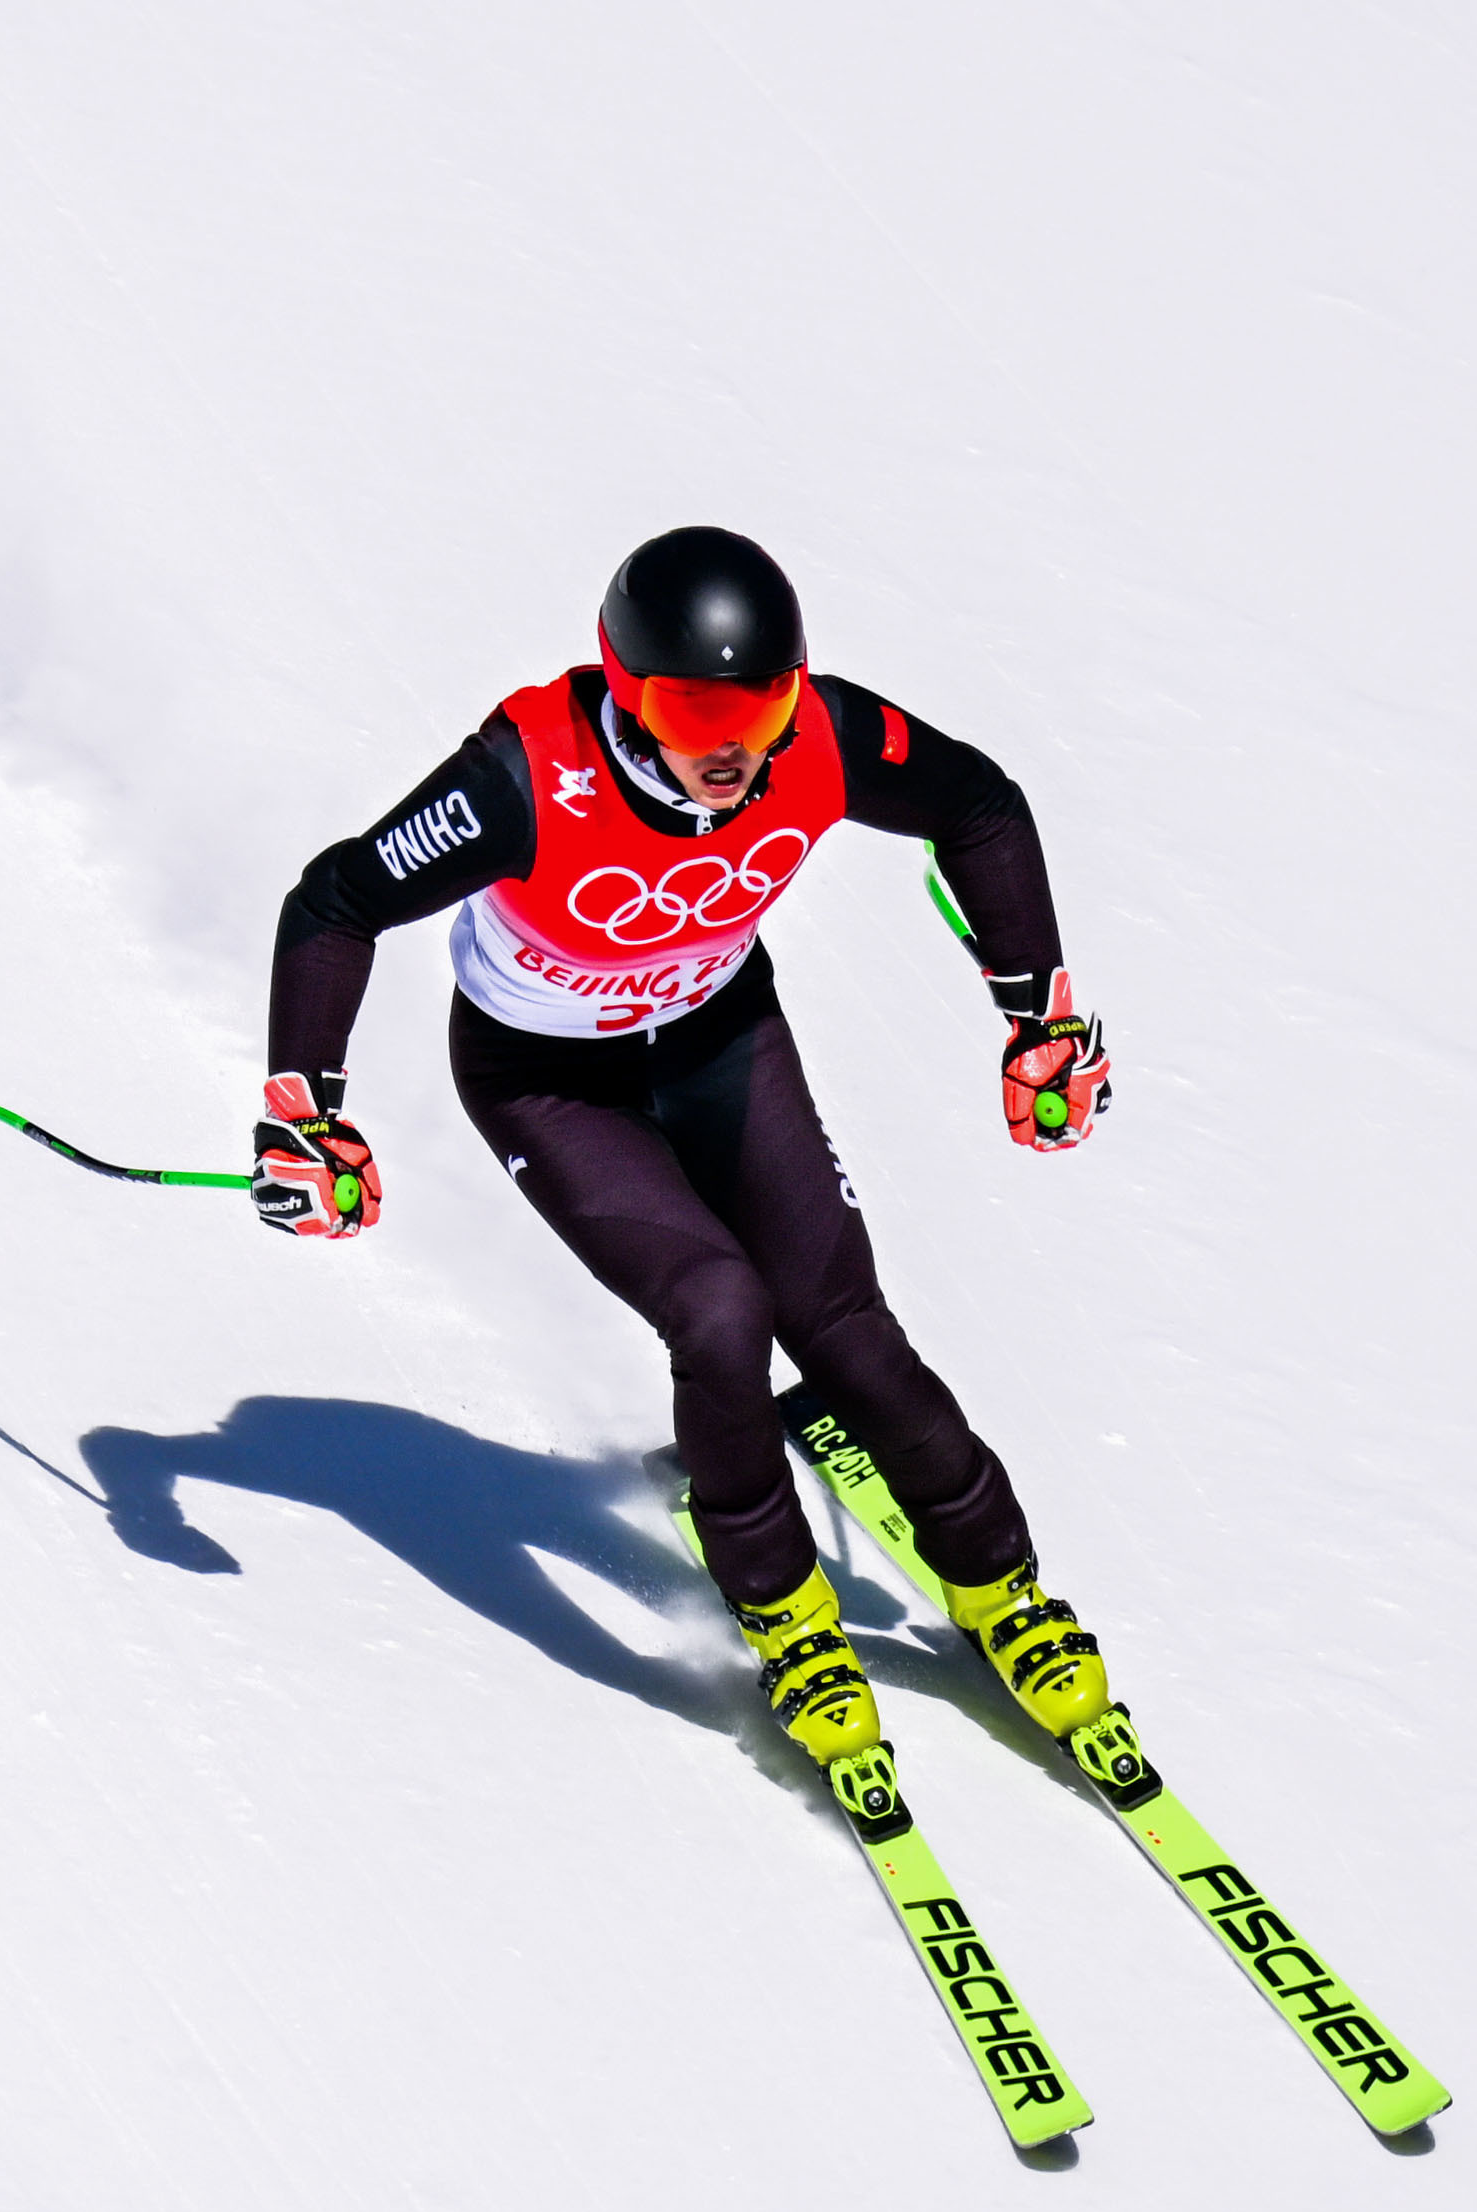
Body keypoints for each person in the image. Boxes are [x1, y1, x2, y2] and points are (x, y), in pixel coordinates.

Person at [249, 524, 1117, 1778]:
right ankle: (781, 1609)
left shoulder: (816, 742)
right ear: (621, 687)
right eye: (687, 707)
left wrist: (1036, 1009)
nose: (728, 745)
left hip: (716, 1035)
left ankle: (999, 1588)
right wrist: (304, 1106)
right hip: (549, 1081)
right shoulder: (524, 778)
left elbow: (976, 805)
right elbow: (335, 901)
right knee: (718, 1308)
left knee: (840, 1326)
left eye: (757, 708)